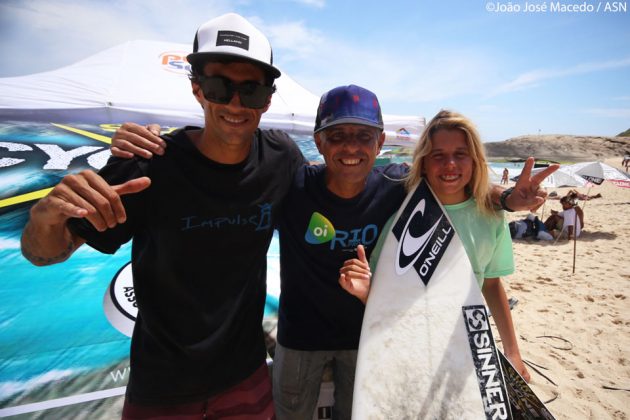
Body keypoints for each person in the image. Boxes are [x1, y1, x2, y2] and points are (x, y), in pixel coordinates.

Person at [20, 13, 306, 419]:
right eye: (219, 86)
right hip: (162, 389)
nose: (235, 103)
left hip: (246, 375)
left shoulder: (282, 159)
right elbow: (45, 253)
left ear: (269, 97)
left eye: (252, 90)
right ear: (197, 89)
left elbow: (333, 203)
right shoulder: (148, 164)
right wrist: (46, 218)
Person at [340, 110, 532, 382]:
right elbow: (384, 296)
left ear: (475, 160)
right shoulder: (404, 218)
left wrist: (513, 352)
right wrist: (363, 292)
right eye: (438, 155)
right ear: (424, 163)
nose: (450, 164)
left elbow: (490, 284)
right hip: (408, 348)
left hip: (466, 346)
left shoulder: (491, 216)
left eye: (461, 154)